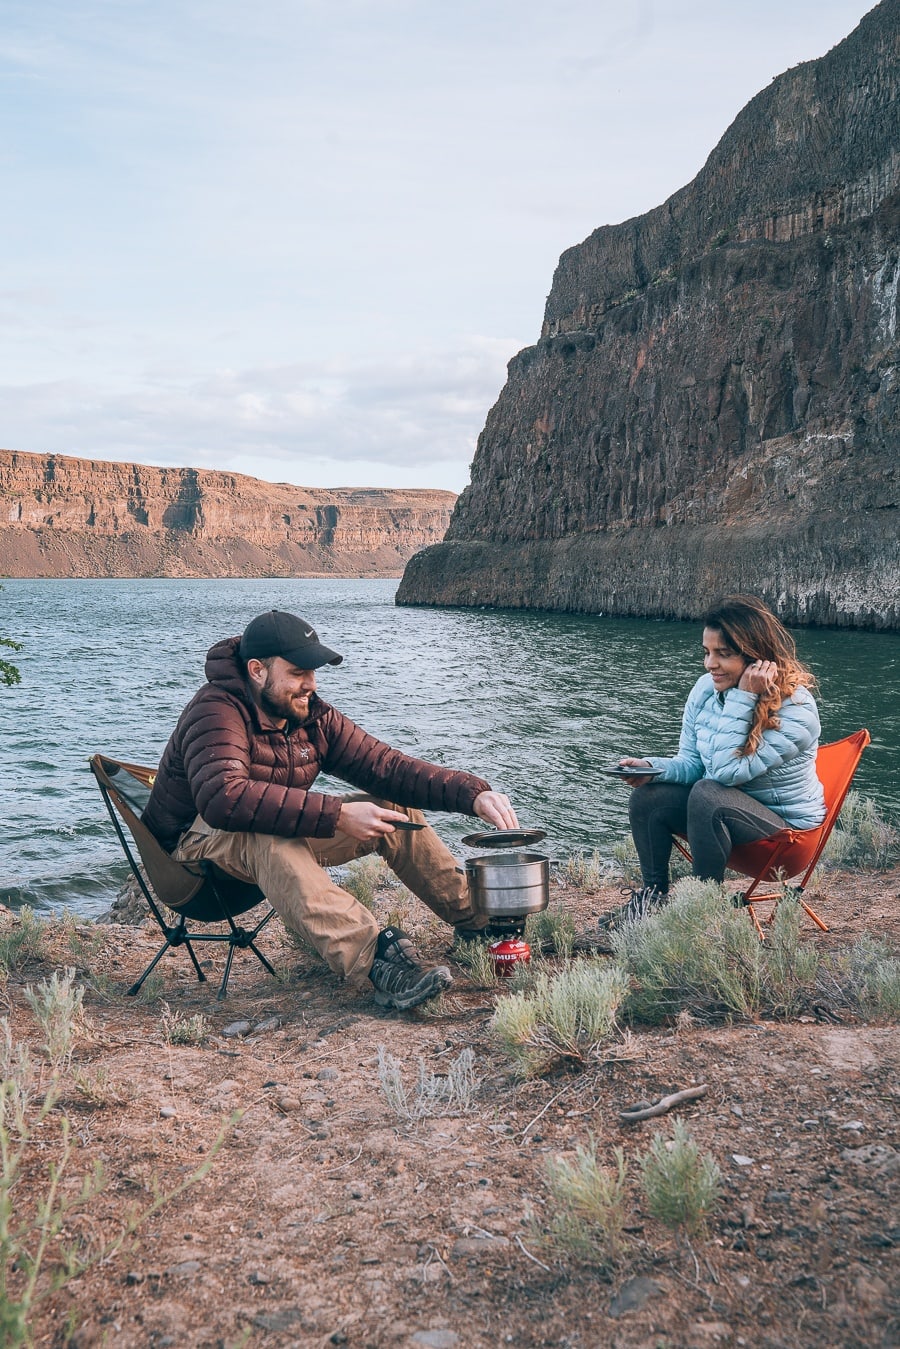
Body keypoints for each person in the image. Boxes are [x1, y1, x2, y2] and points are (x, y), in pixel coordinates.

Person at [142, 609, 519, 1010]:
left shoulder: (308, 716)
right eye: (299, 672)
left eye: (314, 671)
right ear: (257, 670)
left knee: (389, 807)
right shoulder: (216, 710)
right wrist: (337, 814)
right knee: (270, 833)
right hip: (191, 863)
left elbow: (386, 767)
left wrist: (471, 793)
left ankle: (475, 921)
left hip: (266, 842)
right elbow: (224, 797)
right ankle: (376, 962)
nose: (311, 683)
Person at [603, 594, 826, 927]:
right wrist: (653, 769)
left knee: (708, 792)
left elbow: (722, 773)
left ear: (757, 659)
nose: (710, 664)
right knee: (650, 797)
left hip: (784, 837)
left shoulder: (796, 710)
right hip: (724, 815)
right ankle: (651, 900)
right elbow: (694, 764)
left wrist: (744, 696)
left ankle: (701, 913)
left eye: (723, 654)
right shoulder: (705, 690)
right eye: (707, 652)